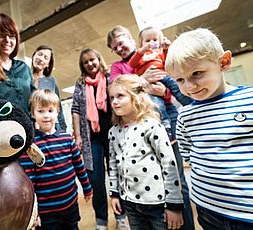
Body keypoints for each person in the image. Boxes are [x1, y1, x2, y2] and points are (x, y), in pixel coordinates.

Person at [107, 25, 195, 230]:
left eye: (121, 42)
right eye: (115, 47)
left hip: (163, 121)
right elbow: (118, 87)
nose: (119, 48)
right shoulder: (120, 67)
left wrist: (165, 91)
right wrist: (142, 81)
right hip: (135, 127)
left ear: (131, 38)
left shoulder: (156, 54)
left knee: (178, 182)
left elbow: (176, 86)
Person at [165, 28, 253, 229]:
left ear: (223, 62)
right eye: (180, 80)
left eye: (196, 73)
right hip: (208, 211)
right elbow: (188, 154)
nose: (189, 87)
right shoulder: (185, 116)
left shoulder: (249, 99)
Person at [108, 74, 184, 230]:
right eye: (111, 98)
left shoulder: (152, 126)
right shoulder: (113, 132)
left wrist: (174, 205)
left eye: (120, 96)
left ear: (136, 97)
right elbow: (113, 165)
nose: (114, 101)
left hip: (157, 204)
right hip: (130, 203)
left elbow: (169, 165)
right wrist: (114, 193)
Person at [72, 48, 129, 230]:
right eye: (86, 62)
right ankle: (101, 219)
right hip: (92, 140)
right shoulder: (80, 84)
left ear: (99, 59)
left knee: (118, 175)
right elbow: (75, 110)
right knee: (95, 179)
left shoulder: (110, 77)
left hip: (114, 135)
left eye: (92, 60)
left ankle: (122, 217)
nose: (90, 64)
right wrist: (78, 136)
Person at [19, 89, 93, 230]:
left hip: (70, 204)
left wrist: (87, 188)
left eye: (50, 111)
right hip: (46, 212)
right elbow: (29, 182)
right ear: (33, 114)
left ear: (57, 112)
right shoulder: (31, 147)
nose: (46, 116)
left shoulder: (67, 139)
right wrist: (33, 213)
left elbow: (79, 166)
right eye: (41, 111)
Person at [128, 26, 193, 140]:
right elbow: (132, 64)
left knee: (176, 86)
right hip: (150, 83)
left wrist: (167, 49)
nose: (151, 42)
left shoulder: (160, 52)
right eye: (147, 40)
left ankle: (190, 103)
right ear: (141, 43)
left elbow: (169, 62)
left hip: (164, 76)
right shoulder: (141, 56)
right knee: (157, 104)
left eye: (155, 40)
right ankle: (165, 124)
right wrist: (141, 51)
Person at [0, 13, 34, 116]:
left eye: (11, 36)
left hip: (28, 128)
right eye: (1, 35)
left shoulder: (24, 68)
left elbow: (34, 100)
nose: (7, 40)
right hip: (1, 129)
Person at [31, 45, 67, 131]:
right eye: (39, 54)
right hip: (31, 125)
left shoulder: (51, 82)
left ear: (48, 64)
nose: (41, 58)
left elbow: (58, 107)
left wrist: (63, 129)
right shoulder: (24, 77)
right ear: (34, 56)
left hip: (52, 126)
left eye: (45, 57)